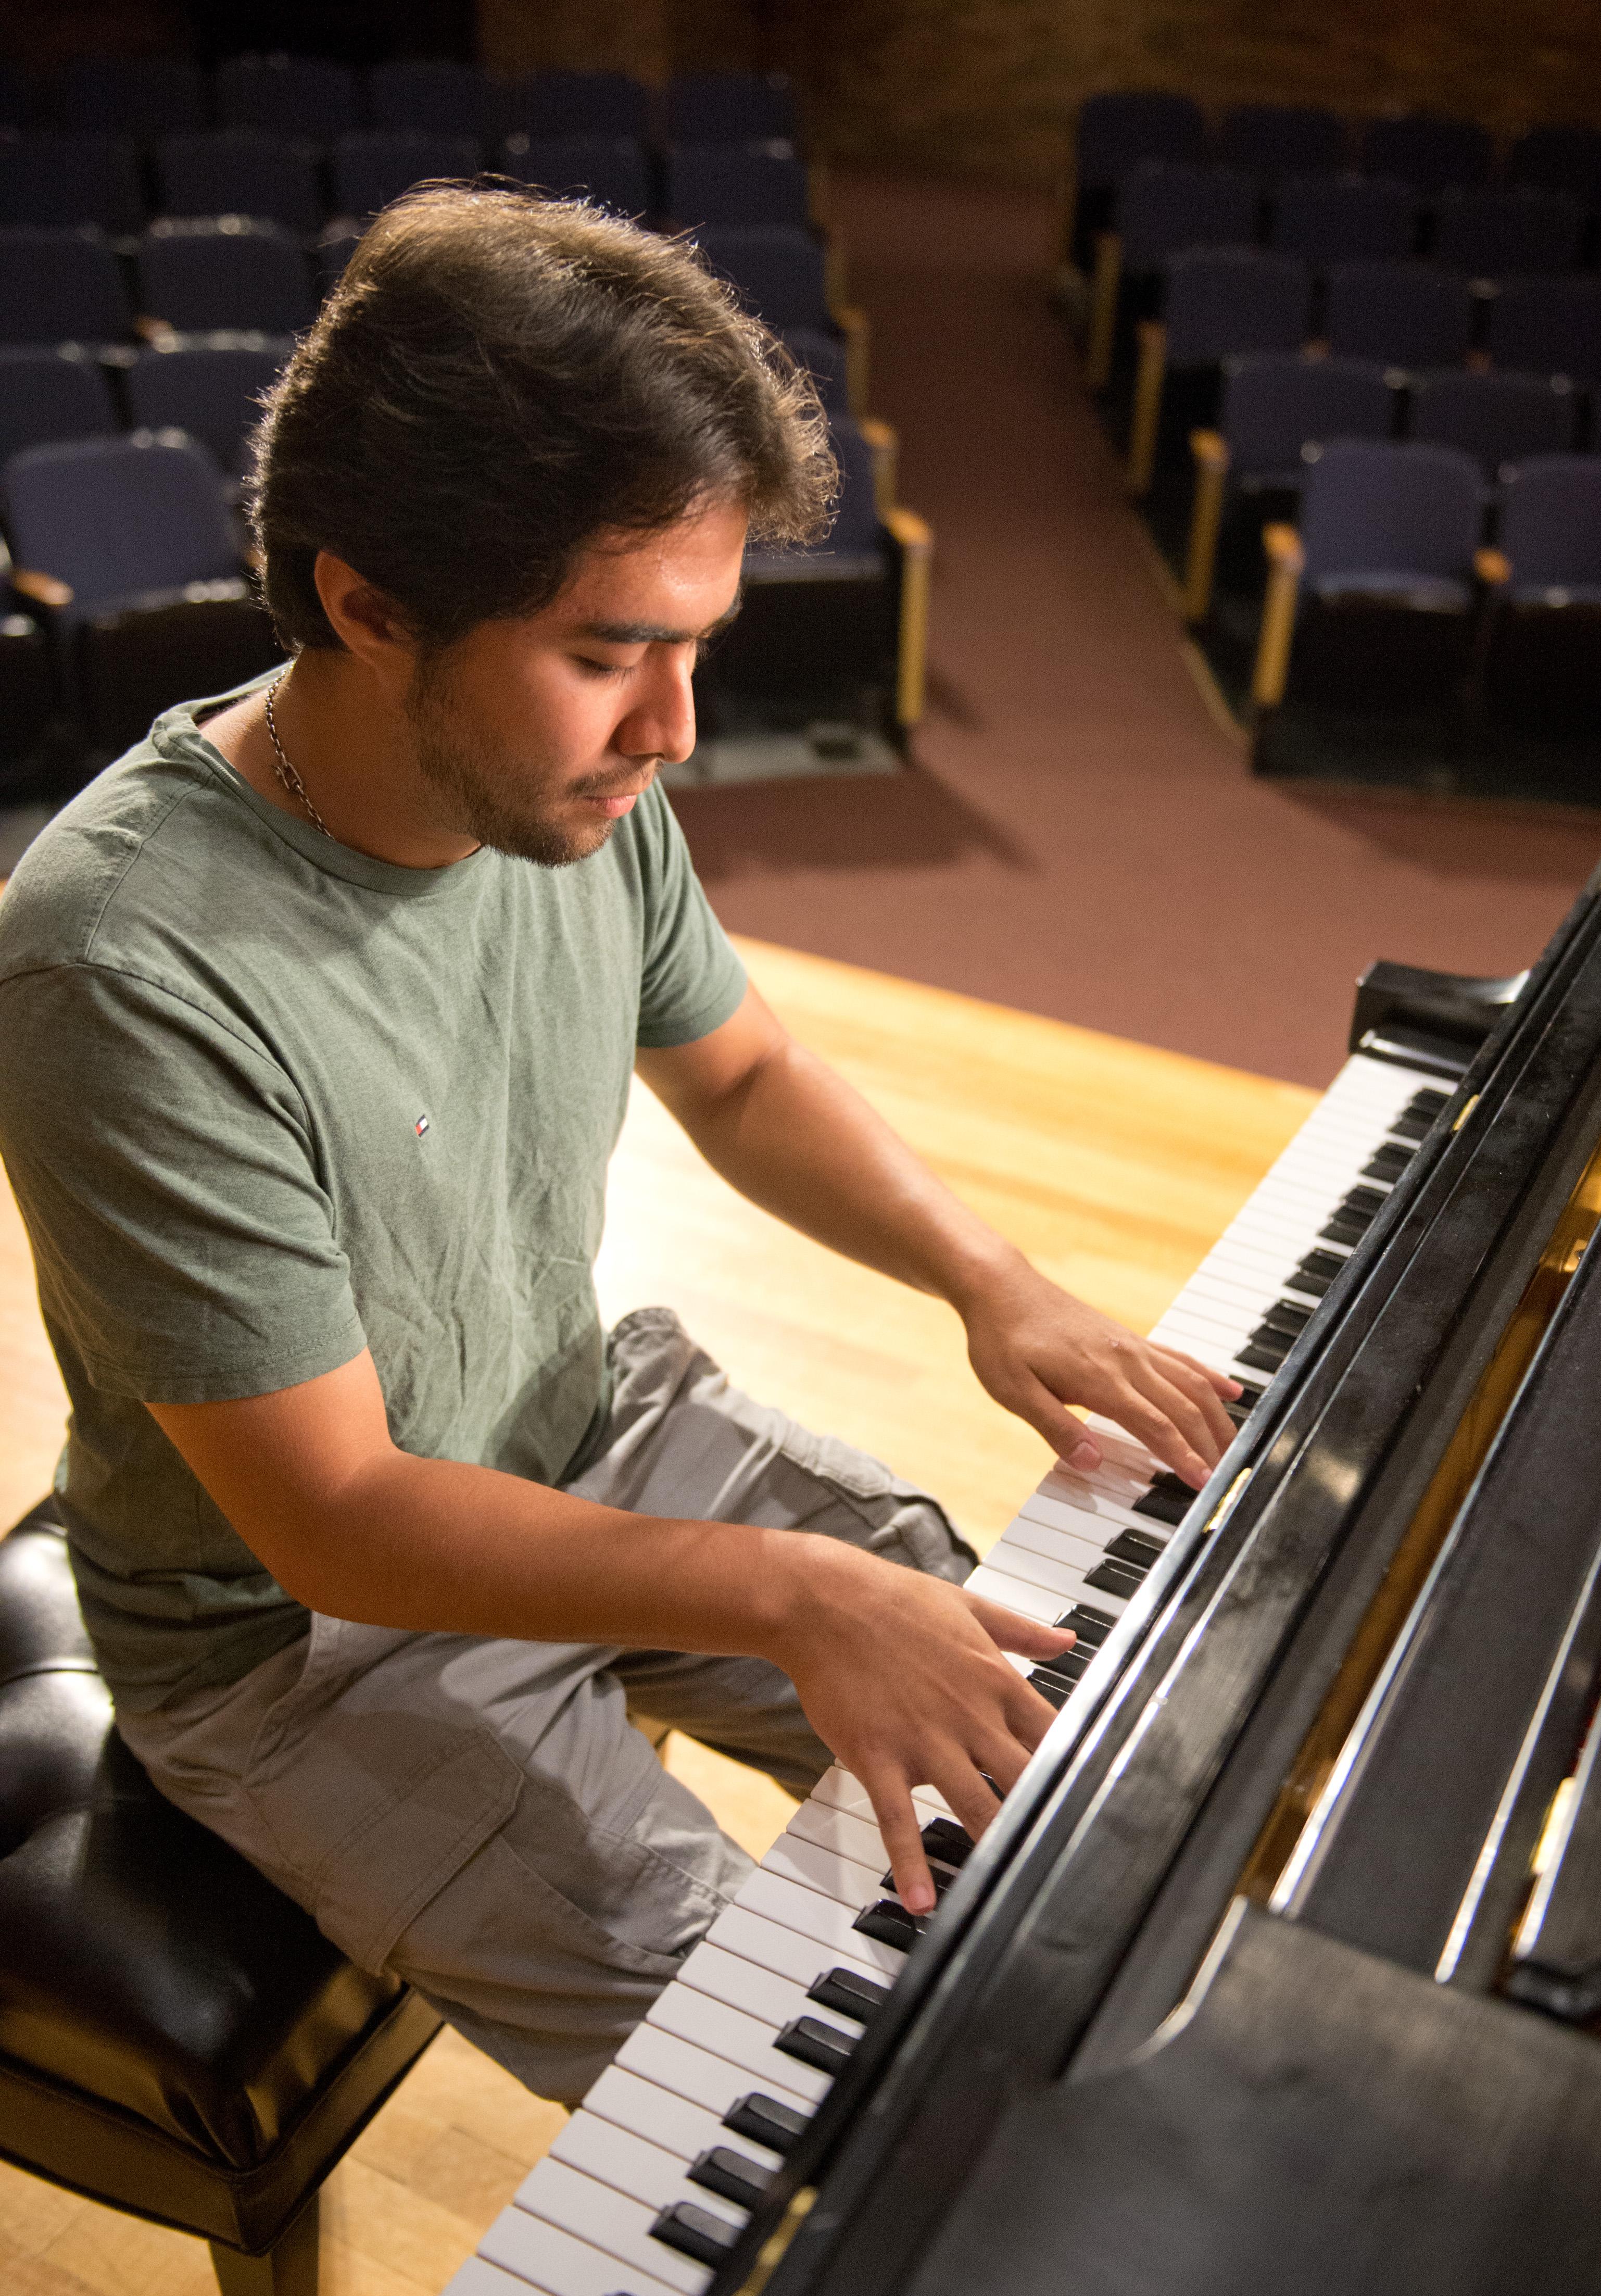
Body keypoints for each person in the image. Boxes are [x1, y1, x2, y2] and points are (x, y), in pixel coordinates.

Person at [0, 186, 1236, 2105]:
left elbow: (737, 1076)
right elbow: (335, 1519)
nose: (674, 727)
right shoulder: (120, 958)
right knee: (767, 2077)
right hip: (299, 1643)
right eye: (608, 653)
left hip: (576, 1421)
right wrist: (794, 1593)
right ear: (364, 600)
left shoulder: (568, 779)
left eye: (698, 648)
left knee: (1050, 1710)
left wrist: (994, 1283)